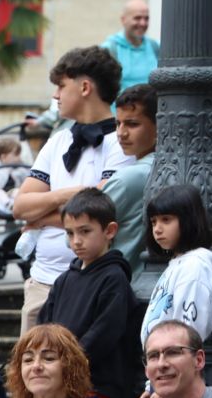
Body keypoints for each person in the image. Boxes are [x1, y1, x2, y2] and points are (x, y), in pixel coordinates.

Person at [13, 46, 127, 336]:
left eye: (61, 86)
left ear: (85, 87)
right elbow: (21, 206)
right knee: (28, 375)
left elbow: (102, 211)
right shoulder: (57, 140)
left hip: (93, 283)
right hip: (41, 281)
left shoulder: (120, 142)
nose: (55, 95)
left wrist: (40, 217)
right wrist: (71, 194)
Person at [36, 188, 141, 398]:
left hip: (97, 389)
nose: (76, 241)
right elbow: (44, 326)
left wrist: (64, 364)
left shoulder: (114, 278)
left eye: (85, 231)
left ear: (110, 231)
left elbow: (104, 332)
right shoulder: (64, 279)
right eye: (70, 233)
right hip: (59, 387)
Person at [138, 185, 212, 347]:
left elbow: (187, 330)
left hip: (174, 363)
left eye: (166, 220)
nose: (157, 229)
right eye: (154, 222)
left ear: (188, 221)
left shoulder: (195, 267)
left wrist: (172, 356)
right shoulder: (179, 263)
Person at [98, 83, 157, 264]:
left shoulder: (128, 179)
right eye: (118, 123)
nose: (121, 133)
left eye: (132, 124)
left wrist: (41, 221)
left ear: (159, 126)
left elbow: (75, 235)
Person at [103, 0, 159, 92]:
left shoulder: (156, 47)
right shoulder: (109, 49)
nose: (143, 23)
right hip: (120, 106)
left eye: (146, 18)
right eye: (137, 18)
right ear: (123, 19)